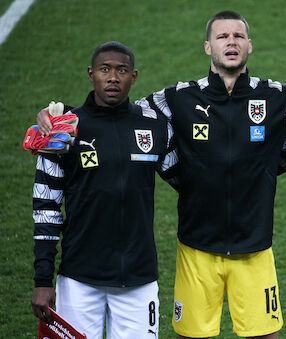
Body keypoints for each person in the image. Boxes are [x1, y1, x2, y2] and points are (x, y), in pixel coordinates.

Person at [35, 11, 286, 338]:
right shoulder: (177, 98)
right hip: (196, 248)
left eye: (238, 36)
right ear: (209, 47)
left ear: (250, 46)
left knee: (265, 334)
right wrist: (60, 114)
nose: (230, 42)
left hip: (255, 247)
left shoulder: (280, 96)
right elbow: (117, 112)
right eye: (222, 36)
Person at [30, 41, 177, 338]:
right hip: (79, 280)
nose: (113, 77)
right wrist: (43, 280)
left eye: (121, 70)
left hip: (138, 280)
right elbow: (46, 208)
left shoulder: (154, 128)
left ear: (133, 77)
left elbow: (190, 180)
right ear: (91, 74)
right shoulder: (61, 131)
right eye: (104, 70)